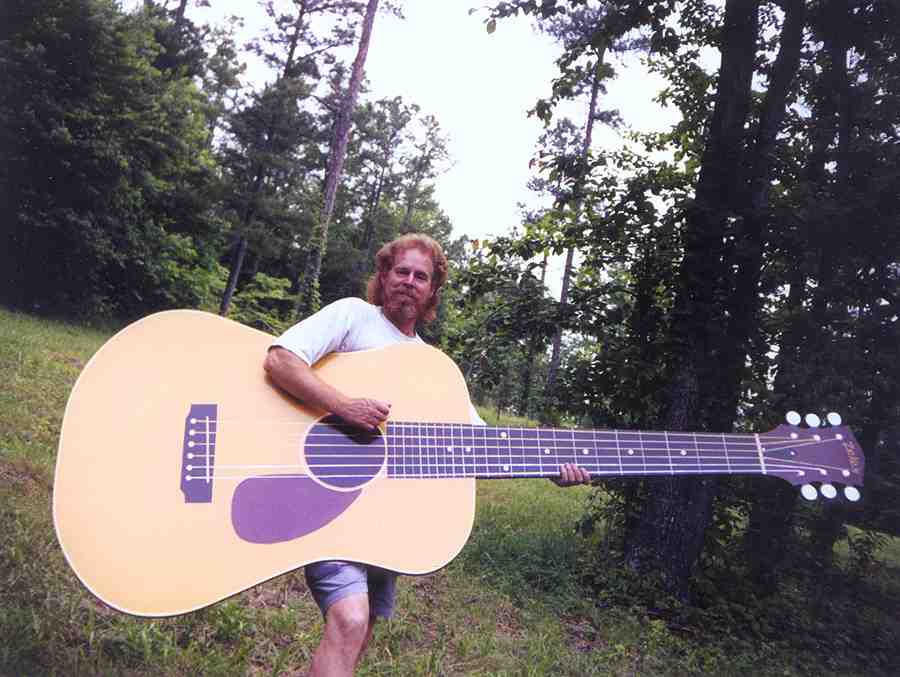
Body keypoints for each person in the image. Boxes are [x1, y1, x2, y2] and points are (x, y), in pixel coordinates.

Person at [263, 233, 590, 676]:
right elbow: (281, 360)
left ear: (433, 290)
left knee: (362, 630)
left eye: (422, 276)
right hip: (324, 502)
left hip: (384, 516)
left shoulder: (433, 368)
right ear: (383, 275)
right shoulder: (353, 316)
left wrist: (551, 466)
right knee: (350, 618)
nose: (409, 282)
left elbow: (484, 446)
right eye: (401, 272)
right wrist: (343, 406)